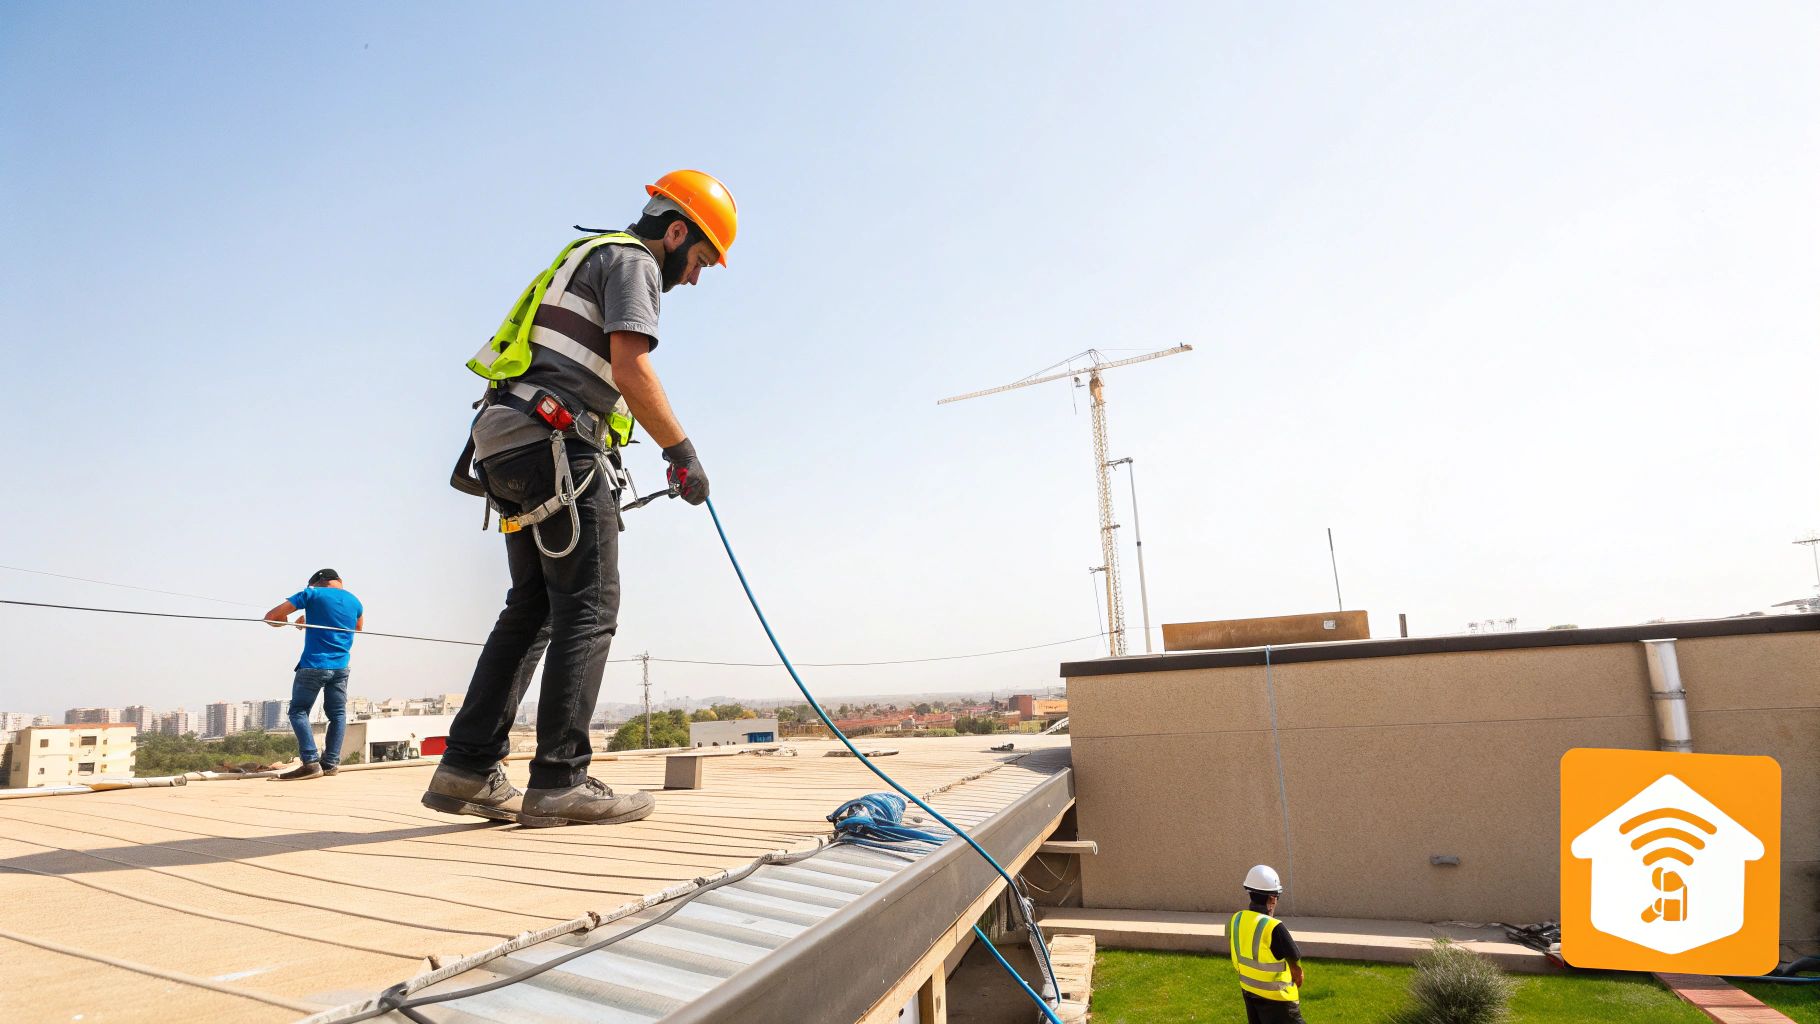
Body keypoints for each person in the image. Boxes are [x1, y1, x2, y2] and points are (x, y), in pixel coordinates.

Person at [424, 170, 734, 828]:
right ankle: (561, 779)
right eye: (700, 259)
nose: (697, 277)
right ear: (676, 232)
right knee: (589, 607)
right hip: (557, 445)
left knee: (532, 607)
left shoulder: (584, 258)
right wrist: (682, 452)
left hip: (506, 441)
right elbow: (631, 368)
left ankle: (467, 768)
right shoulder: (634, 261)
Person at [264, 568, 364, 781]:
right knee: (337, 714)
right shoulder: (355, 601)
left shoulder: (311, 594)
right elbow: (357, 627)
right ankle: (330, 764)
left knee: (298, 711)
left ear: (320, 582)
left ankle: (310, 763)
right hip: (341, 667)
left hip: (314, 665)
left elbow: (272, 617)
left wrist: (288, 622)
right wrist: (309, 622)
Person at [1229, 864, 1306, 1023]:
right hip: (1278, 1000)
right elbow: (1296, 969)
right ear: (1272, 898)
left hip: (1250, 993)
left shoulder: (1237, 920)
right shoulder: (1274, 927)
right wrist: (1297, 977)